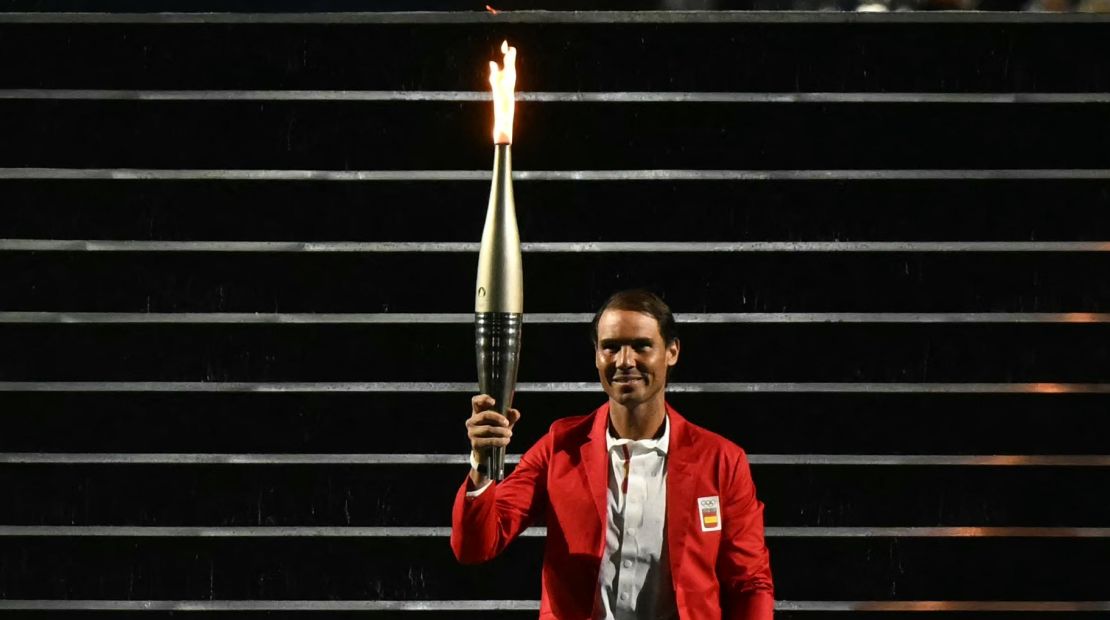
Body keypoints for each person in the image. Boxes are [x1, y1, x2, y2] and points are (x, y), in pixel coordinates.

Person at [452, 289, 774, 619]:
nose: (624, 361)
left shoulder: (721, 460)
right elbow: (475, 546)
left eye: (641, 346)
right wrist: (483, 463)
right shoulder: (559, 448)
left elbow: (749, 583)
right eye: (611, 347)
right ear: (596, 355)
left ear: (672, 351)